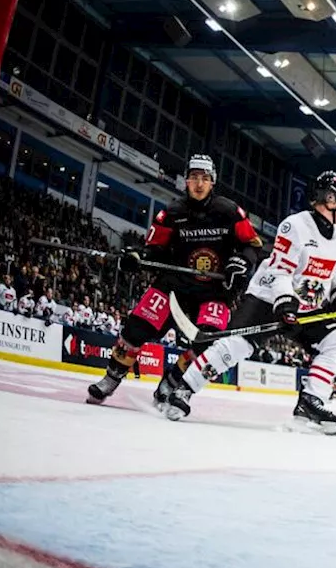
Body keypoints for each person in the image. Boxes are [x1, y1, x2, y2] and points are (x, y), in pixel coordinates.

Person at [164, 171, 336, 435]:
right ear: (331, 198)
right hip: (269, 297)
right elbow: (280, 273)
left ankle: (311, 401)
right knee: (237, 346)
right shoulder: (295, 226)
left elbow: (334, 274)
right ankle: (184, 389)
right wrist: (284, 304)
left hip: (307, 305)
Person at [86, 155, 262, 406]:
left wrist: (242, 262)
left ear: (213, 182)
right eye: (194, 178)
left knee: (207, 343)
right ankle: (111, 379)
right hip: (174, 286)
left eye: (205, 178)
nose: (199, 184)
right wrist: (137, 256)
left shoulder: (230, 211)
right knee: (135, 328)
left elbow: (253, 245)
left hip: (215, 291)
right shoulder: (172, 212)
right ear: (186, 181)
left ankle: (172, 381)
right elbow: (154, 248)